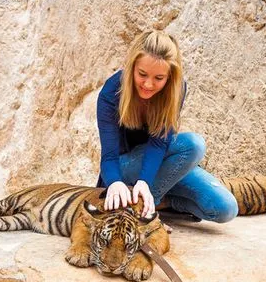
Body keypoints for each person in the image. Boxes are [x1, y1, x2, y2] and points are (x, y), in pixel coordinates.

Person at [96, 29, 238, 223]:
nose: (148, 84)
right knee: (193, 144)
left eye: (158, 78)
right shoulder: (111, 91)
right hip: (123, 170)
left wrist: (145, 183)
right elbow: (109, 156)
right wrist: (114, 182)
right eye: (142, 74)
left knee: (226, 209)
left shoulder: (176, 89)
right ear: (132, 67)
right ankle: (143, 211)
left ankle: (157, 202)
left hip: (157, 167)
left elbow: (159, 144)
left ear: (170, 76)